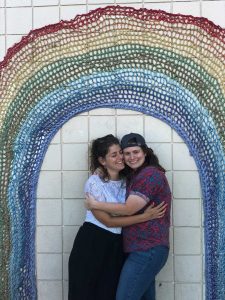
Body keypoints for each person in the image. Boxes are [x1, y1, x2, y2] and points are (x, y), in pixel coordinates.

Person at [68, 134, 167, 300]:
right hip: (93, 243)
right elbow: (108, 221)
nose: (121, 158)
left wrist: (96, 204)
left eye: (120, 153)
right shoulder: (94, 183)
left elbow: (127, 209)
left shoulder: (128, 180)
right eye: (114, 155)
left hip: (116, 247)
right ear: (102, 160)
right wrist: (146, 217)